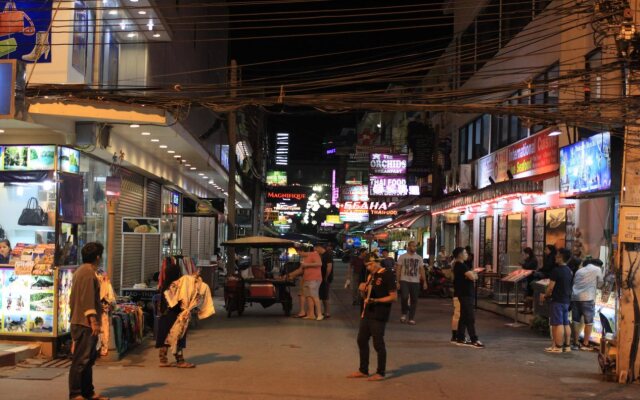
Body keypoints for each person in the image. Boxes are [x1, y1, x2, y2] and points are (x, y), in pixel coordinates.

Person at [68, 242, 109, 400]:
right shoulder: (87, 273)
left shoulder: (83, 271)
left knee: (88, 360)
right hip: (84, 323)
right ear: (98, 257)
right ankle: (76, 393)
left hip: (81, 321)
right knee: (81, 360)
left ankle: (87, 392)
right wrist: (94, 321)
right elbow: (87, 300)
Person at [347, 255, 397, 381]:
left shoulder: (388, 275)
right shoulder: (371, 276)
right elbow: (366, 297)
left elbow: (393, 297)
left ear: (377, 262)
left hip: (379, 314)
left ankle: (381, 372)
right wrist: (362, 290)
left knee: (378, 344)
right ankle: (363, 370)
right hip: (367, 313)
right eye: (366, 266)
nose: (368, 268)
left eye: (370, 264)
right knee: (361, 340)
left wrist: (376, 300)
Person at [156, 257, 195, 368]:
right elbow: (179, 302)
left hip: (164, 315)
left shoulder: (164, 286)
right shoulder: (177, 286)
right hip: (174, 316)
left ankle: (163, 360)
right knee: (177, 337)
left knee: (164, 337)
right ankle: (180, 361)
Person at [453, 247, 484, 348]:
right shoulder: (461, 266)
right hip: (465, 294)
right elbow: (472, 277)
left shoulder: (461, 265)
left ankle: (460, 337)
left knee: (463, 316)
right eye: (465, 253)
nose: (467, 254)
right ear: (459, 255)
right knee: (470, 317)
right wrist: (472, 275)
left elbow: (473, 276)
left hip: (465, 294)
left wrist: (472, 274)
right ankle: (474, 339)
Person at [544, 248, 573, 353]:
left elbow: (550, 287)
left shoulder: (556, 271)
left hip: (557, 300)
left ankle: (558, 347)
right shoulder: (569, 271)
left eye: (557, 254)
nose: (555, 256)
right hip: (566, 300)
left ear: (561, 257)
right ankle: (567, 346)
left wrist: (545, 295)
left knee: (557, 323)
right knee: (566, 323)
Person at [571, 258, 604, 350]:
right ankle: (585, 343)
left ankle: (575, 343)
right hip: (588, 298)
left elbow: (574, 283)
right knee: (589, 322)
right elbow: (601, 283)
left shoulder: (579, 270)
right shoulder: (597, 269)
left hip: (575, 297)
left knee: (576, 321)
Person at [396, 241, 427, 325]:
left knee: (414, 300)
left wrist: (424, 282)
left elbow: (422, 270)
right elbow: (398, 269)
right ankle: (404, 313)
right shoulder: (402, 257)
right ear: (408, 247)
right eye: (413, 246)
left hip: (415, 281)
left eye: (415, 246)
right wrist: (397, 281)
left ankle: (411, 318)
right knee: (404, 297)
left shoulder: (419, 258)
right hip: (404, 280)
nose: (414, 247)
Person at [295, 246, 323, 320]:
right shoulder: (304, 258)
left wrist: (307, 265)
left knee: (314, 296)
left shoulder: (314, 254)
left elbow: (319, 263)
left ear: (302, 251)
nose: (298, 254)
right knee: (309, 297)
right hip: (307, 279)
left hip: (314, 278)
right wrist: (290, 275)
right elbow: (301, 269)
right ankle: (311, 314)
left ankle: (320, 314)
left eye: (298, 253)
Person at [316, 244, 334, 318]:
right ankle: (325, 312)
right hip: (322, 277)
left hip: (325, 278)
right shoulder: (323, 255)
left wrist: (326, 277)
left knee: (325, 295)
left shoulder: (327, 255)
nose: (316, 250)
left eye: (316, 249)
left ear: (320, 247)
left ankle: (327, 312)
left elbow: (329, 267)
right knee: (323, 295)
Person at [521, 247, 538, 314]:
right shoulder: (528, 259)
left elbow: (528, 267)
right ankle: (525, 308)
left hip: (531, 278)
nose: (524, 255)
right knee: (526, 293)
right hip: (527, 277)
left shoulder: (533, 260)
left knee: (529, 293)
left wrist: (523, 264)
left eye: (525, 254)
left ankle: (530, 308)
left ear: (528, 253)